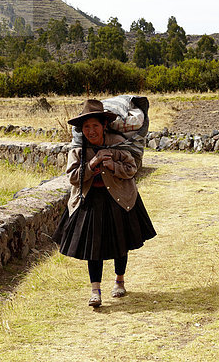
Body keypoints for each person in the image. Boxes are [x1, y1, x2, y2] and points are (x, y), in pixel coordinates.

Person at [52, 99, 156, 307]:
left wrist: (113, 164)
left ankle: (119, 281)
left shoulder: (117, 141)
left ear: (104, 126)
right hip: (91, 201)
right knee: (94, 248)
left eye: (95, 126)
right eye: (87, 127)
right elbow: (73, 177)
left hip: (118, 198)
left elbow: (131, 168)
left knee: (121, 244)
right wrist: (92, 164)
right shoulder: (78, 149)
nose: (91, 131)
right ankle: (95, 291)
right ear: (82, 129)